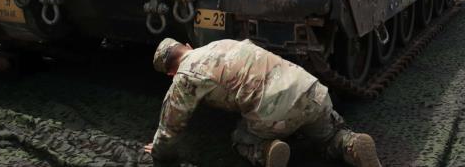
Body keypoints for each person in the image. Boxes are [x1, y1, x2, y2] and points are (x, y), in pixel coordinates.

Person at [146, 38, 381, 167]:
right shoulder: (223, 43)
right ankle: (351, 144)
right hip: (312, 91)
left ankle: (268, 150)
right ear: (187, 46)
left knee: (241, 138)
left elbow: (171, 125)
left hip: (274, 114)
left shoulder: (185, 76)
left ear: (170, 73)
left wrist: (159, 152)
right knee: (330, 136)